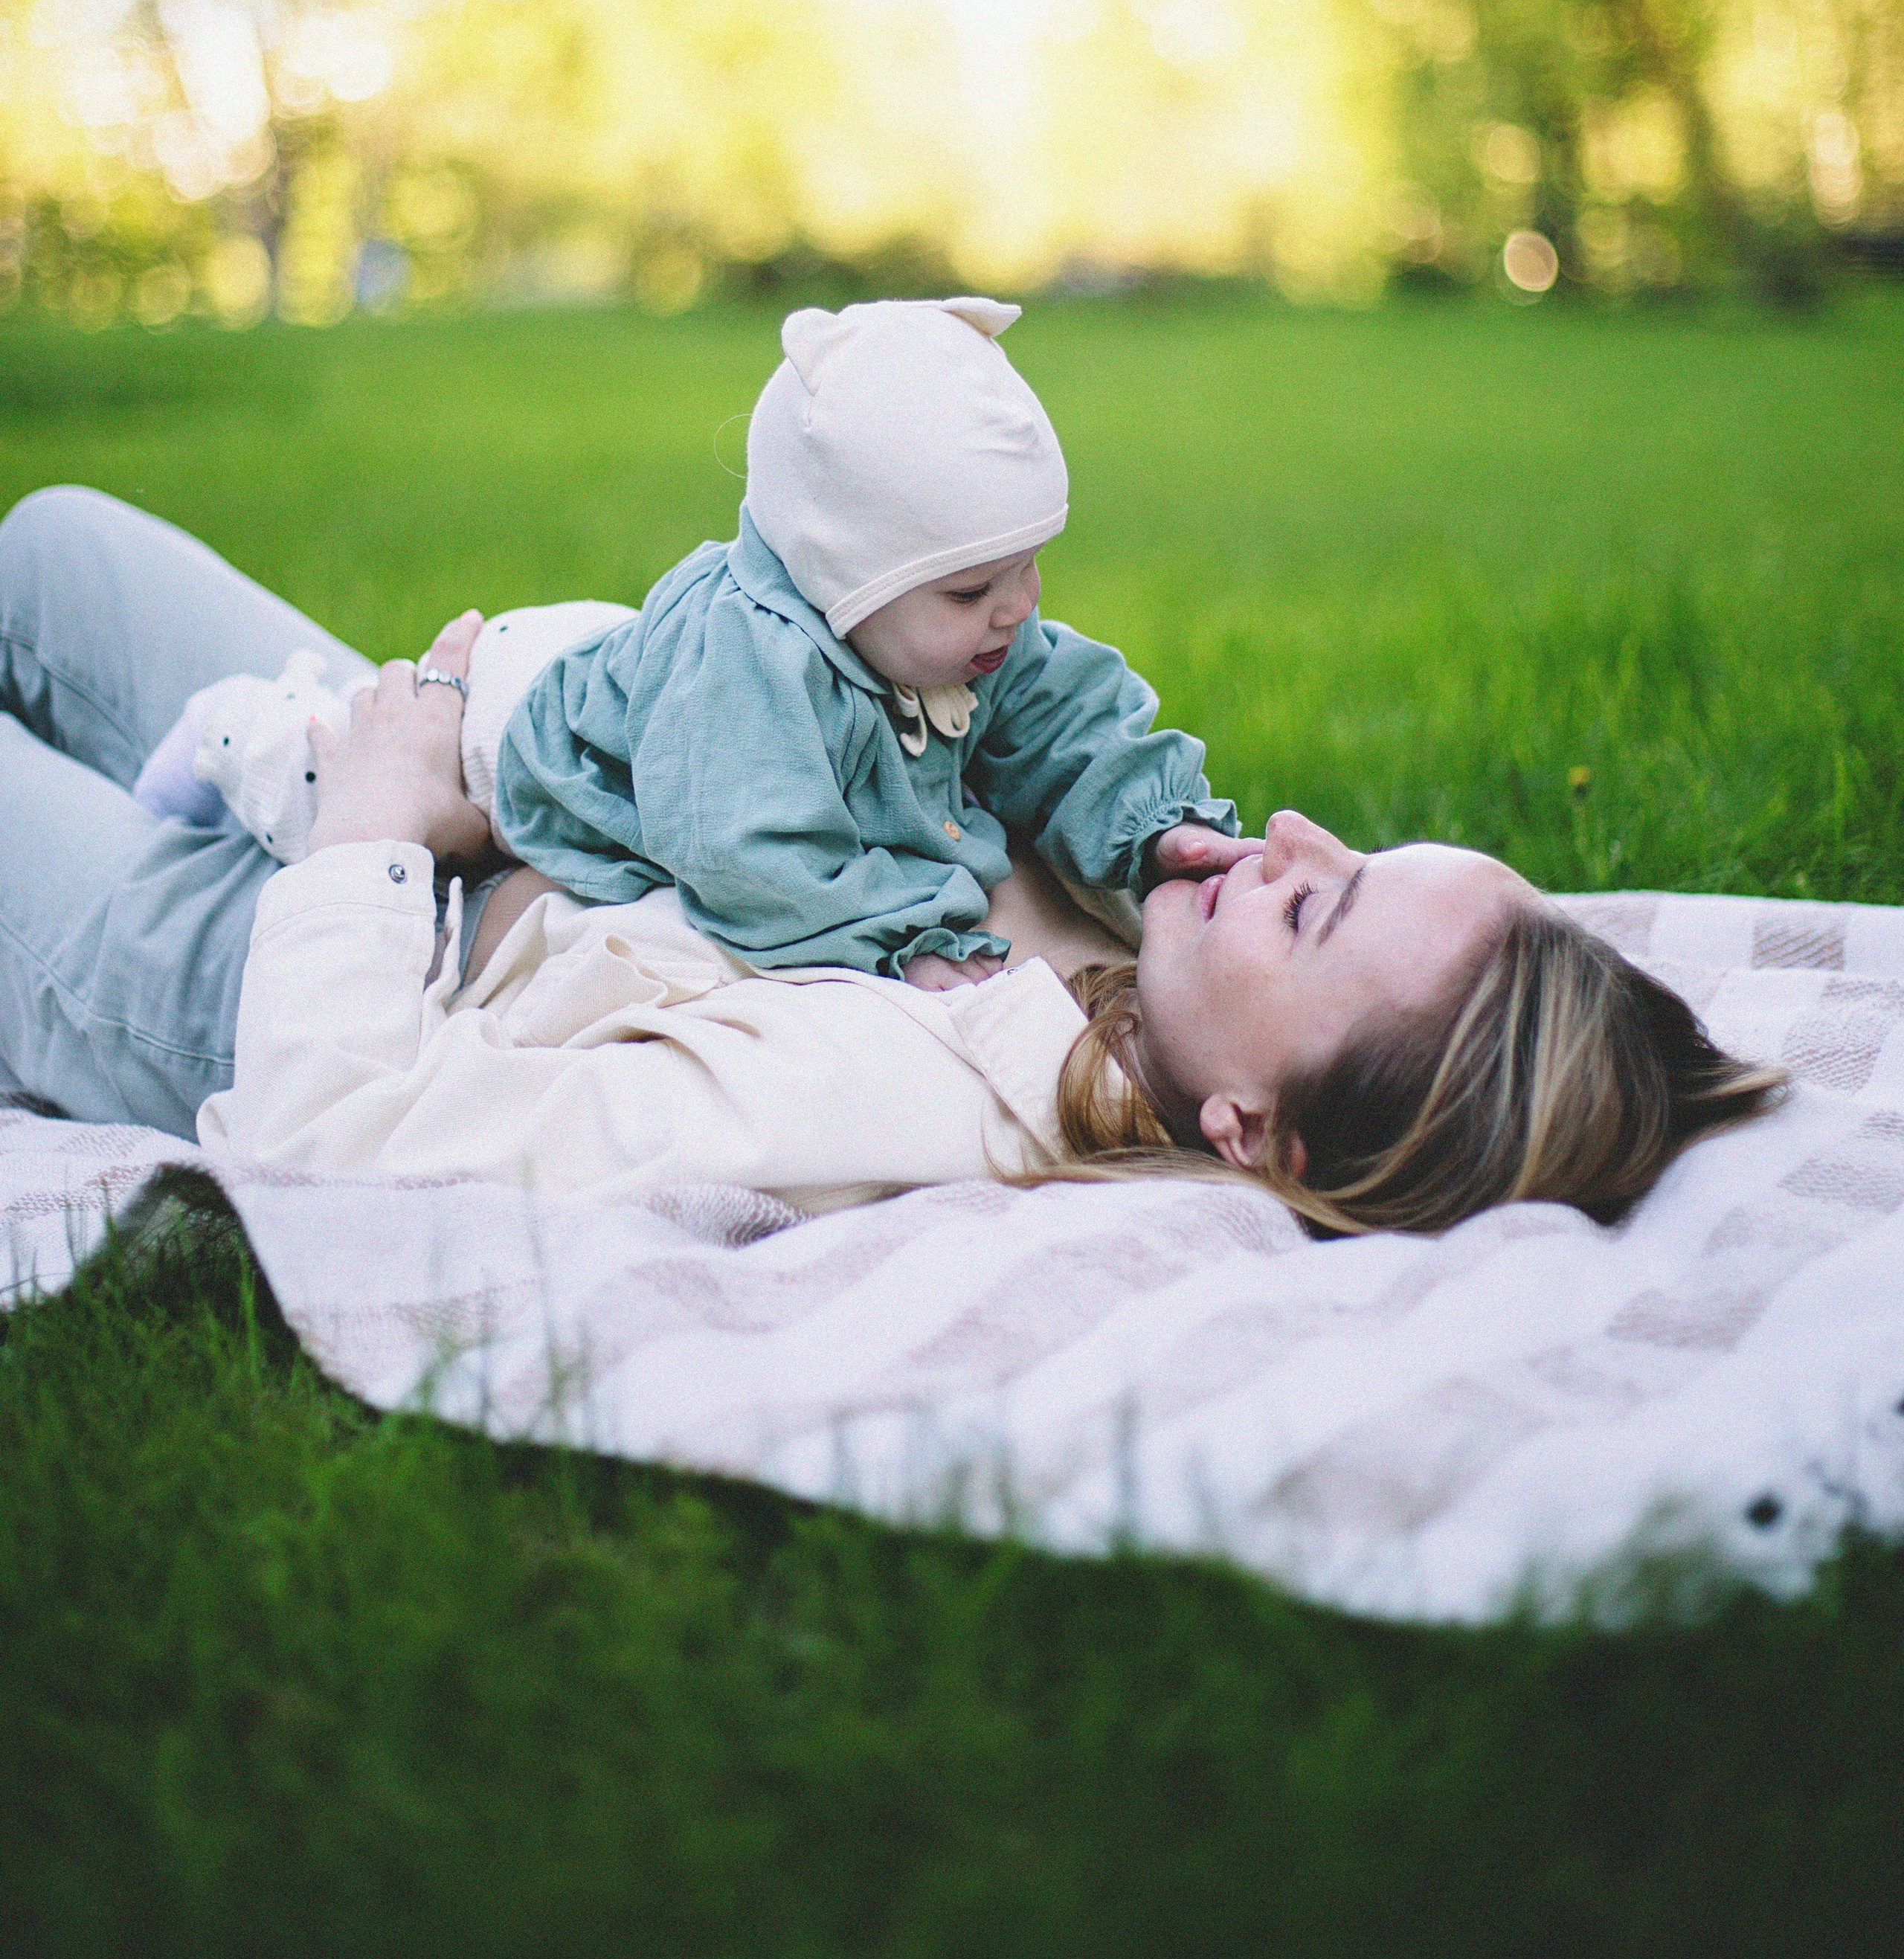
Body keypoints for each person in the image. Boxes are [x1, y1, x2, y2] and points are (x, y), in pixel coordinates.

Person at [1, 484, 1785, 1233]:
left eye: (1316, 904)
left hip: (295, 974)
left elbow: (343, 1140)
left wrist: (382, 830)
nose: (1287, 835)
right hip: (480, 800)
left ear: (1254, 1133)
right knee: (60, 549)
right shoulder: (1139, 923)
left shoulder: (899, 1109)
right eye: (1348, 845)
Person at [132, 296, 1241, 991]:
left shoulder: (962, 636)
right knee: (352, 789)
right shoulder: (753, 668)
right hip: (514, 728)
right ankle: (236, 726)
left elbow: (1073, 723)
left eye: (1025, 568)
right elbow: (747, 858)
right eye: (969, 587)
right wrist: (915, 935)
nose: (1017, 607)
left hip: (633, 680)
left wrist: (1155, 830)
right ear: (841, 572)